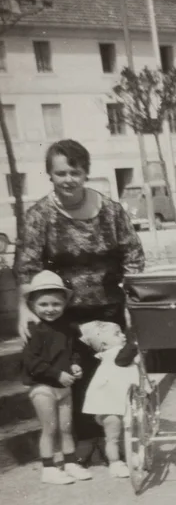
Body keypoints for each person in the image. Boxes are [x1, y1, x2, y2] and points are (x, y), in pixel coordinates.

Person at [17, 139, 145, 454]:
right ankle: (85, 444)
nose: (68, 179)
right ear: (50, 175)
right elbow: (27, 267)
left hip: (109, 312)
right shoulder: (39, 216)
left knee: (112, 376)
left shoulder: (111, 211)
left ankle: (116, 440)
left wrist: (134, 303)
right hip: (63, 316)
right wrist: (25, 309)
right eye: (60, 173)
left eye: (74, 172)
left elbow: (134, 257)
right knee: (74, 378)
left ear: (85, 173)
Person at [22, 270, 92, 485]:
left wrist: (75, 364)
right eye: (44, 304)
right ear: (33, 305)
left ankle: (70, 463)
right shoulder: (32, 330)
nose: (50, 309)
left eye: (56, 304)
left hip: (64, 386)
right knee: (50, 428)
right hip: (43, 386)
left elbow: (73, 352)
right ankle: (49, 468)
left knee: (66, 427)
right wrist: (57, 374)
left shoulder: (66, 328)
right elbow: (32, 362)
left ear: (64, 304)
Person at [80, 321, 141, 478]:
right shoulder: (114, 353)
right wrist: (135, 340)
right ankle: (114, 462)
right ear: (104, 344)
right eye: (117, 334)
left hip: (117, 402)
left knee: (121, 434)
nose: (122, 336)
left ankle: (124, 457)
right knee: (112, 437)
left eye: (121, 332)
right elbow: (125, 357)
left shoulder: (116, 352)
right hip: (109, 405)